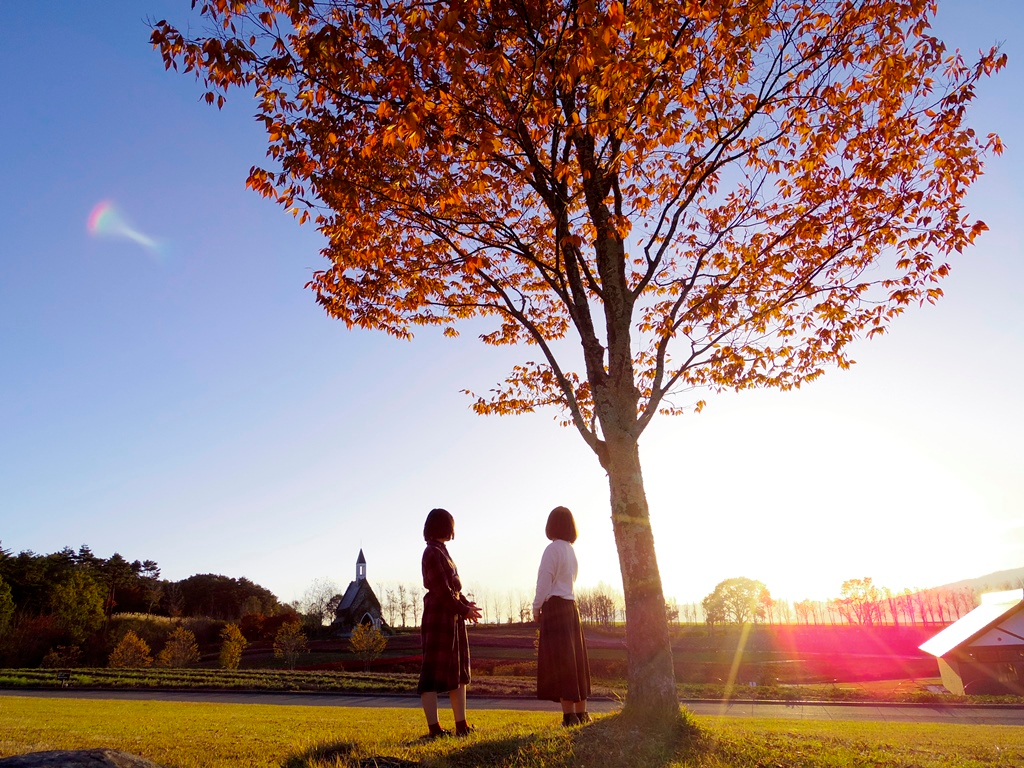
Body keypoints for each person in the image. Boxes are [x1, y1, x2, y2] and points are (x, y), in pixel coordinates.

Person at [417, 507, 482, 739]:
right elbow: (443, 591)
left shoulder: (442, 551)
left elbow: (453, 590)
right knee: (432, 673)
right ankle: (434, 729)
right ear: (444, 528)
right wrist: (464, 610)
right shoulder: (431, 552)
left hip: (452, 617)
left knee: (458, 672)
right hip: (438, 617)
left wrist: (466, 605)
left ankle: (461, 725)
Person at [533, 505, 592, 726]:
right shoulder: (570, 550)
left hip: (555, 608)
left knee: (561, 661)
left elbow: (544, 581)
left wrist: (536, 608)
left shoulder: (552, 549)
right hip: (571, 607)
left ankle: (569, 716)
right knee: (576, 660)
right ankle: (582, 713)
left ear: (551, 526)